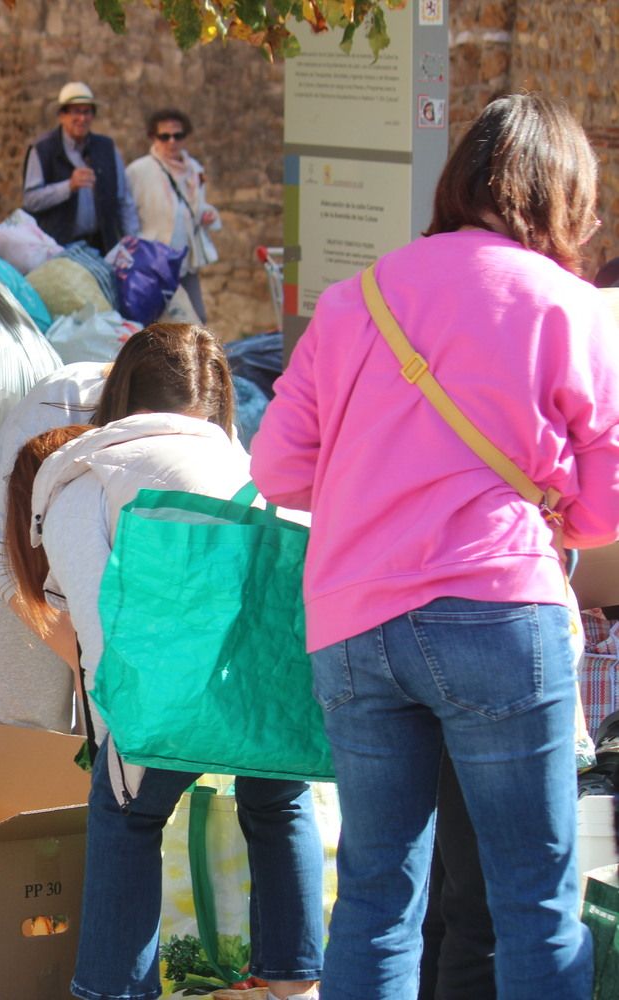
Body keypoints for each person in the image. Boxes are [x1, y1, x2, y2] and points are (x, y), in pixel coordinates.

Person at [251, 94, 619, 999]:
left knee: (377, 896)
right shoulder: (570, 307)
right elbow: (607, 510)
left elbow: (275, 467)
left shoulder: (353, 300)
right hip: (497, 611)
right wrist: (551, 500)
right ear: (565, 196)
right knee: (534, 899)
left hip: (354, 618)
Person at [5, 324, 323, 1000]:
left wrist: (115, 749)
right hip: (262, 682)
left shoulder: (86, 470)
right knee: (279, 800)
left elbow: (100, 630)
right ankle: (296, 984)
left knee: (126, 816)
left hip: (165, 694)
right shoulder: (250, 466)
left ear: (122, 390)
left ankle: (113, 990)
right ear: (216, 405)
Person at [0, 361, 108, 732]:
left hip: (99, 573)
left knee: (113, 723)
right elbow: (7, 566)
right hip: (11, 553)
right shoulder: (57, 409)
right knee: (24, 729)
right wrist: (83, 661)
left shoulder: (212, 450)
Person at [21, 81, 139, 255]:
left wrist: (133, 242)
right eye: (76, 112)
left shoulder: (106, 148)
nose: (82, 119)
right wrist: (68, 187)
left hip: (102, 247)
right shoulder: (43, 150)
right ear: (62, 116)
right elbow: (31, 200)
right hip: (58, 248)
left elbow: (123, 200)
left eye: (87, 112)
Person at [125, 108, 221, 322]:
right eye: (164, 136)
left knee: (196, 320)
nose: (171, 142)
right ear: (153, 137)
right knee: (153, 322)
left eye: (177, 136)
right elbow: (127, 213)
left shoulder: (193, 169)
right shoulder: (138, 171)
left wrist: (207, 215)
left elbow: (195, 208)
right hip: (153, 261)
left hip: (184, 260)